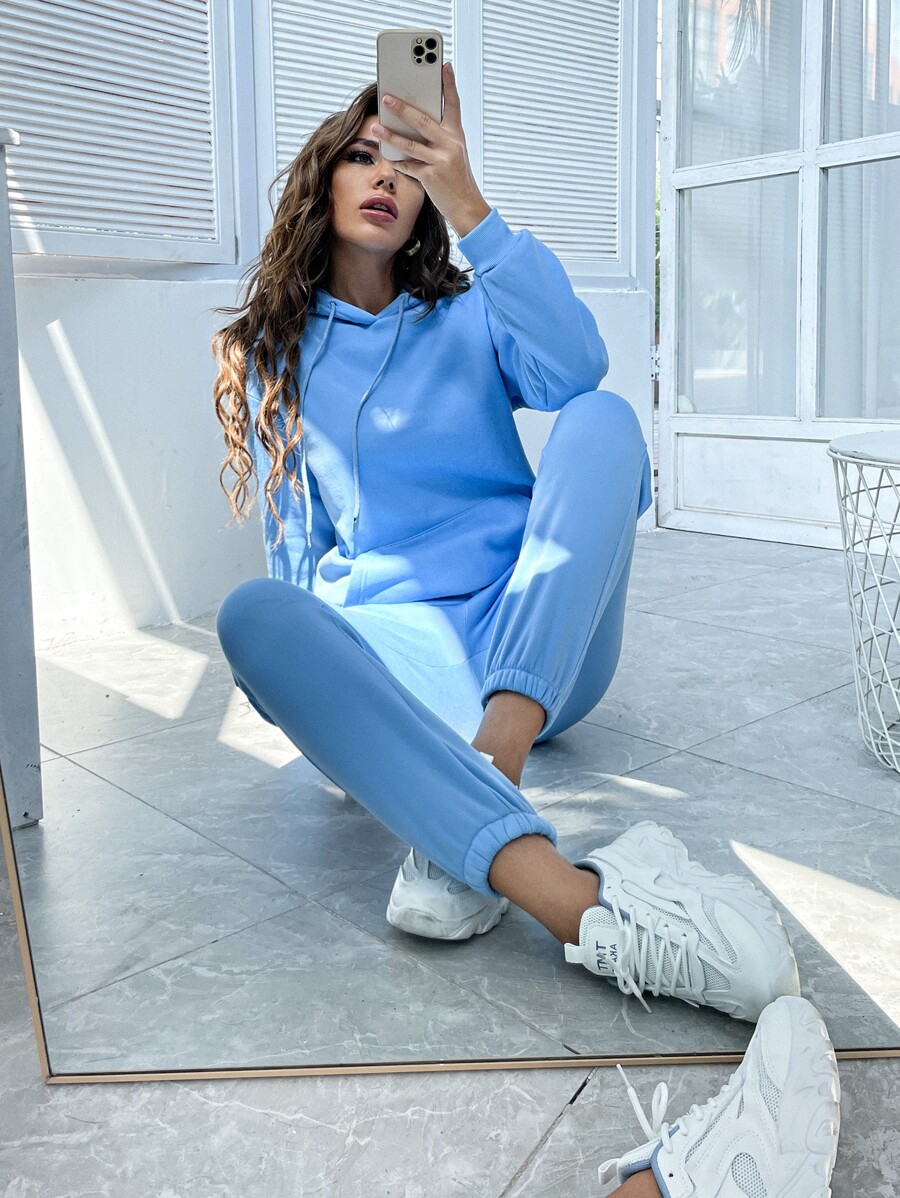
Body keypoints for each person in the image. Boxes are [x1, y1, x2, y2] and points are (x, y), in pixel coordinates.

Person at [211, 62, 841, 1193]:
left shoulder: (467, 313)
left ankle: (483, 777)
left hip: (536, 641)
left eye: (408, 163)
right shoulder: (277, 351)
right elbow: (296, 558)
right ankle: (569, 896)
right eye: (363, 155)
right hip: (406, 659)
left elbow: (577, 366)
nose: (384, 177)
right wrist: (337, 713)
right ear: (322, 179)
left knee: (602, 421)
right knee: (257, 615)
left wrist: (471, 198)